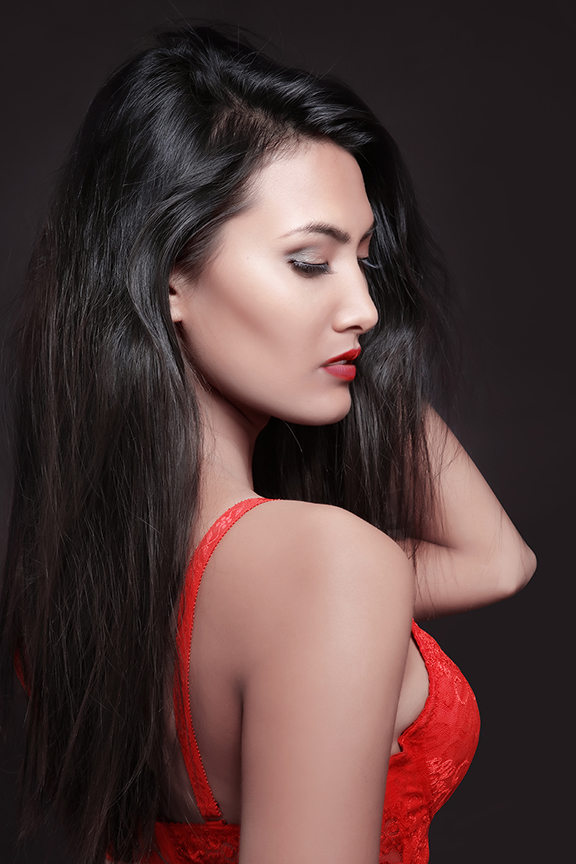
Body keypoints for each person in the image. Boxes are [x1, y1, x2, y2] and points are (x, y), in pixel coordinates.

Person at [0, 24, 536, 864]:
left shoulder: (67, 590)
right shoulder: (327, 567)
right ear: (169, 273)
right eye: (310, 262)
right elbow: (488, 560)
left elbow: (499, 562)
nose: (367, 309)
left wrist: (352, 361)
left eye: (366, 262)